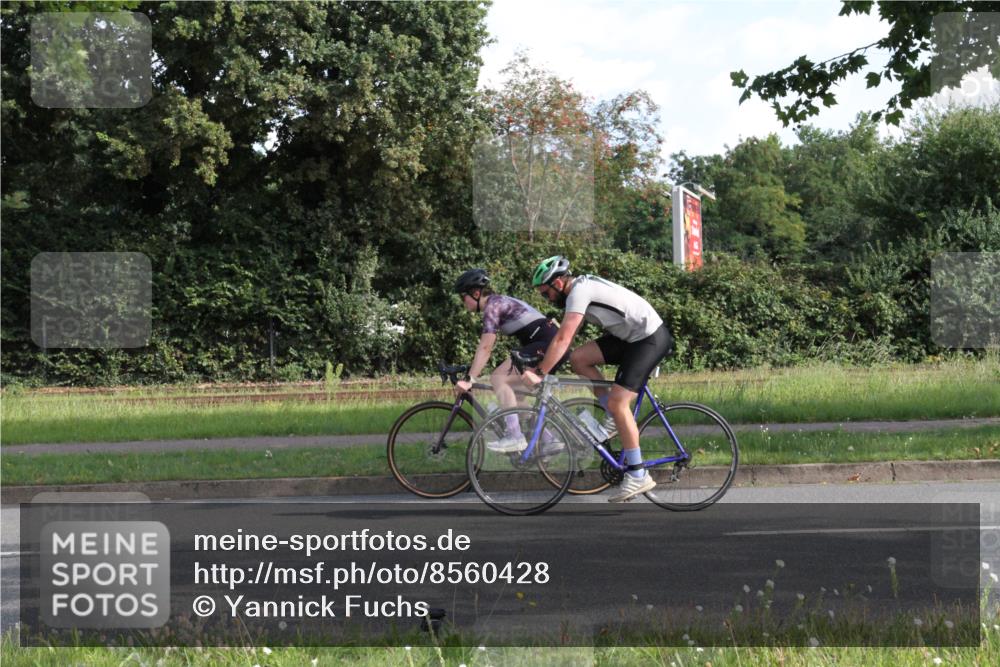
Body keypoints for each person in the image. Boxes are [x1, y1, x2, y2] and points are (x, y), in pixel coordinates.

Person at [520, 256, 675, 502]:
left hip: (648, 339)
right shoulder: (578, 290)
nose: (546, 299)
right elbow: (564, 340)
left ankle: (638, 473)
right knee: (579, 359)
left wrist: (540, 373)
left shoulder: (579, 292)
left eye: (545, 294)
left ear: (558, 284)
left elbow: (563, 339)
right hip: (629, 337)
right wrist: (543, 362)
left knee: (618, 402)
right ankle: (613, 417)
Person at [452, 268, 567, 453]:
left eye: (463, 296)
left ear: (475, 293)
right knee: (515, 396)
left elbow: (486, 347)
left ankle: (515, 437)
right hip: (547, 342)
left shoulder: (493, 306)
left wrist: (469, 379)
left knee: (498, 378)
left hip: (547, 343)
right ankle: (550, 440)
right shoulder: (497, 302)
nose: (462, 301)